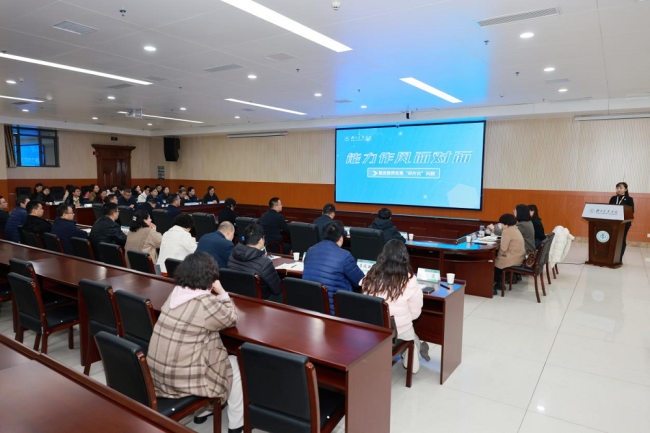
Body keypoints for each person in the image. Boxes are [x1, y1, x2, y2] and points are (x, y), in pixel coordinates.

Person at [147, 252, 243, 433]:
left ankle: (203, 411)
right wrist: (222, 292)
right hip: (181, 383)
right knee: (236, 364)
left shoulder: (175, 293)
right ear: (211, 277)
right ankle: (236, 425)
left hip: (158, 377)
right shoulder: (205, 301)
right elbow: (232, 318)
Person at [362, 239, 427, 372]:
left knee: (411, 335)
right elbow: (415, 312)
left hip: (374, 327)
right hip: (399, 329)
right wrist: (404, 319)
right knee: (411, 335)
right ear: (404, 257)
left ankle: (416, 345)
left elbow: (365, 300)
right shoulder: (409, 279)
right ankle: (412, 361)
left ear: (383, 255)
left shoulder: (372, 273)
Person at [303, 221, 365, 314]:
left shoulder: (310, 250)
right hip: (337, 309)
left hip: (312, 307)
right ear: (341, 238)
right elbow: (360, 281)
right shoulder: (345, 255)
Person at [228, 223, 283, 302]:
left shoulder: (233, 255)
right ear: (260, 240)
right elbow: (277, 289)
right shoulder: (265, 263)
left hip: (238, 298)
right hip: (261, 301)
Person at [493, 214, 526, 294]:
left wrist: (498, 255)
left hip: (512, 259)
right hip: (519, 257)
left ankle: (493, 286)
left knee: (492, 263)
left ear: (506, 224)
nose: (501, 226)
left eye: (501, 224)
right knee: (496, 260)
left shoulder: (507, 231)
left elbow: (503, 249)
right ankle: (499, 283)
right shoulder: (515, 229)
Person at [609, 182, 634, 259]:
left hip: (624, 223)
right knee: (612, 239)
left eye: (621, 188)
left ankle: (619, 258)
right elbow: (608, 209)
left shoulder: (629, 199)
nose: (619, 189)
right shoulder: (613, 198)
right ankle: (611, 257)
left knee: (621, 240)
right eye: (617, 188)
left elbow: (632, 211)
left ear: (625, 189)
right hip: (613, 222)